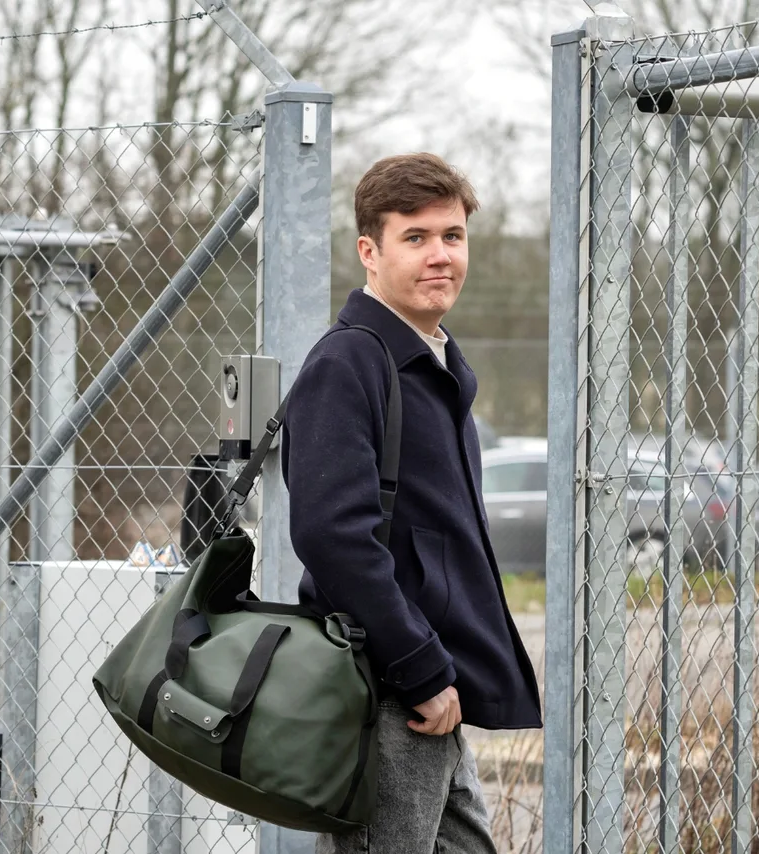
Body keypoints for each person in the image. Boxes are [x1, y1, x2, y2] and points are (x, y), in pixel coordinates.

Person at [280, 153, 541, 854]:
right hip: (388, 689)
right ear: (369, 250)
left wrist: (440, 675)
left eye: (452, 236)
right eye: (416, 238)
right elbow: (334, 537)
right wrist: (421, 670)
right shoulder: (349, 364)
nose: (440, 256)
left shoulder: (436, 362)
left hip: (430, 690)